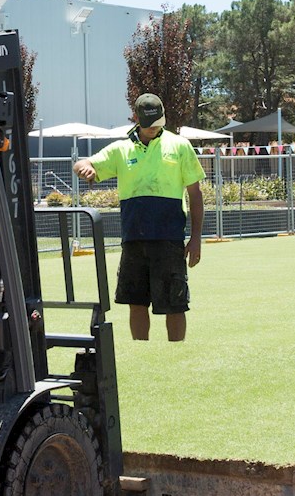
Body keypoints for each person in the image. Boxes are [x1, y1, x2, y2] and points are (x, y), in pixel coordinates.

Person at [75, 93, 205, 342]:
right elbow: (82, 163)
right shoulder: (121, 149)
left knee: (175, 304)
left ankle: (177, 354)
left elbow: (195, 194)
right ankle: (140, 351)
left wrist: (196, 238)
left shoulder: (179, 146)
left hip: (169, 240)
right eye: (149, 124)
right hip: (133, 239)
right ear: (136, 119)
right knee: (136, 302)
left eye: (158, 123)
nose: (155, 129)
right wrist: (85, 168)